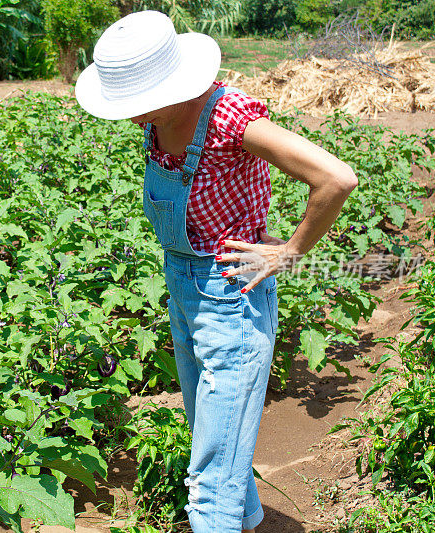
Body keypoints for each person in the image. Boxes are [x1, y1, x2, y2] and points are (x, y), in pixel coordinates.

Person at [74, 10, 357, 533]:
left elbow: (336, 178)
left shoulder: (230, 118)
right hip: (182, 289)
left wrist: (288, 253)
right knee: (215, 443)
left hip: (229, 298)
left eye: (139, 104)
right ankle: (247, 521)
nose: (133, 117)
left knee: (210, 476)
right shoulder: (160, 122)